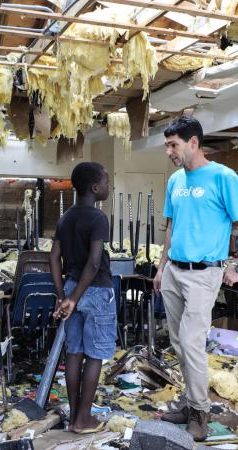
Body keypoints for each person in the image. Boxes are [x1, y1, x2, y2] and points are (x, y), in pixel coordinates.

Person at [153, 116, 238, 441]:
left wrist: (234, 265)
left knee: (191, 342)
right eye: (166, 145)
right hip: (175, 270)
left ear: (193, 143)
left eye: (173, 145)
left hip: (205, 274)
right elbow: (172, 227)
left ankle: (200, 412)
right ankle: (190, 403)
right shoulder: (175, 180)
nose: (169, 151)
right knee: (179, 344)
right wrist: (161, 268)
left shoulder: (224, 177)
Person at [50, 162, 116, 434]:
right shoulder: (98, 218)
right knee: (96, 355)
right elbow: (94, 262)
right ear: (95, 187)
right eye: (107, 182)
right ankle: (84, 419)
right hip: (96, 291)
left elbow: (54, 258)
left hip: (71, 289)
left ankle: (75, 415)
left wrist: (62, 295)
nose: (109, 186)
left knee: (74, 353)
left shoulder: (65, 217)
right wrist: (75, 298)